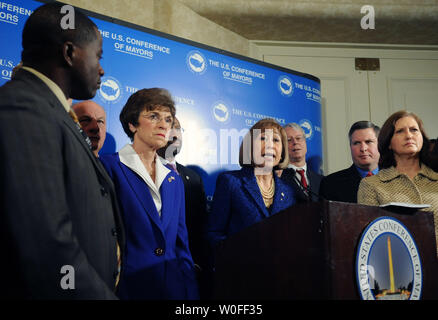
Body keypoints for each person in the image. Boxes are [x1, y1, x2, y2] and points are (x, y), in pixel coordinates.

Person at [0, 3, 123, 299]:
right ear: (69, 54)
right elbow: (45, 243)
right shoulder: (23, 107)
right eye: (98, 56)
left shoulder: (51, 111)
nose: (102, 68)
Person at [99, 88, 199, 300]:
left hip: (173, 290)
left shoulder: (174, 180)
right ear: (132, 124)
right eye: (153, 116)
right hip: (126, 288)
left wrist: (190, 293)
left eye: (168, 119)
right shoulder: (109, 167)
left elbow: (182, 246)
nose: (164, 125)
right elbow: (100, 236)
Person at [207, 118, 296, 250]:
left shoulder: (288, 191)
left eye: (276, 140)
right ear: (250, 146)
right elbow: (214, 234)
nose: (270, 145)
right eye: (263, 138)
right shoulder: (231, 182)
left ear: (282, 151)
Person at [358, 111, 438, 250]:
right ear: (389, 142)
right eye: (400, 131)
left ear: (422, 138)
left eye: (414, 130)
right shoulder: (372, 185)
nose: (409, 135)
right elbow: (371, 240)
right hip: (397, 268)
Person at [157, 117, 209, 296]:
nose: (174, 133)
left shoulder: (193, 177)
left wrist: (199, 263)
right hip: (154, 270)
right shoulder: (141, 171)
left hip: (190, 271)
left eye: (178, 129)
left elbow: (202, 225)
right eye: (169, 128)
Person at [319, 121, 380, 203]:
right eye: (356, 143)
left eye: (368, 142)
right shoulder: (330, 184)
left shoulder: (398, 180)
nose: (363, 148)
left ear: (380, 144)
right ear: (350, 147)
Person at [279, 122, 323, 202]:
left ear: (305, 143)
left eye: (298, 138)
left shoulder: (321, 180)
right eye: (289, 140)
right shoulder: (278, 178)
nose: (295, 142)